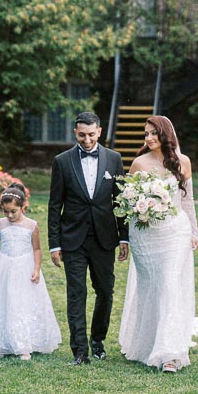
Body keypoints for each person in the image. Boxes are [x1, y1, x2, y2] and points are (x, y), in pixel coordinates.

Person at [118, 116, 198, 372]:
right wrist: (131, 236)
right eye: (146, 134)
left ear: (166, 135)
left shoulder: (182, 162)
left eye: (154, 133)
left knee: (170, 287)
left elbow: (188, 201)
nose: (149, 138)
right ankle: (147, 343)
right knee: (151, 287)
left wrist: (194, 232)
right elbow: (129, 205)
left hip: (175, 232)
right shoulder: (139, 164)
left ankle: (169, 353)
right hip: (147, 236)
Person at [48, 111, 128, 365]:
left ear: (100, 132)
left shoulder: (114, 159)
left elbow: (121, 201)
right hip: (73, 239)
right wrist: (55, 243)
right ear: (75, 133)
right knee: (76, 293)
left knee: (105, 291)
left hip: (104, 237)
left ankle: (97, 340)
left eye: (91, 134)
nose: (86, 139)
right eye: (81, 135)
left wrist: (124, 238)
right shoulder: (62, 161)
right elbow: (54, 205)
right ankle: (80, 350)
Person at [0, 185, 61, 359]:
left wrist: (36, 268)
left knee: (22, 304)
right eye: (6, 212)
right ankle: (2, 344)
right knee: (4, 302)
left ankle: (24, 344)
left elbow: (36, 249)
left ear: (23, 207)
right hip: (5, 267)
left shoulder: (32, 225)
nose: (10, 216)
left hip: (24, 268)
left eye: (13, 211)